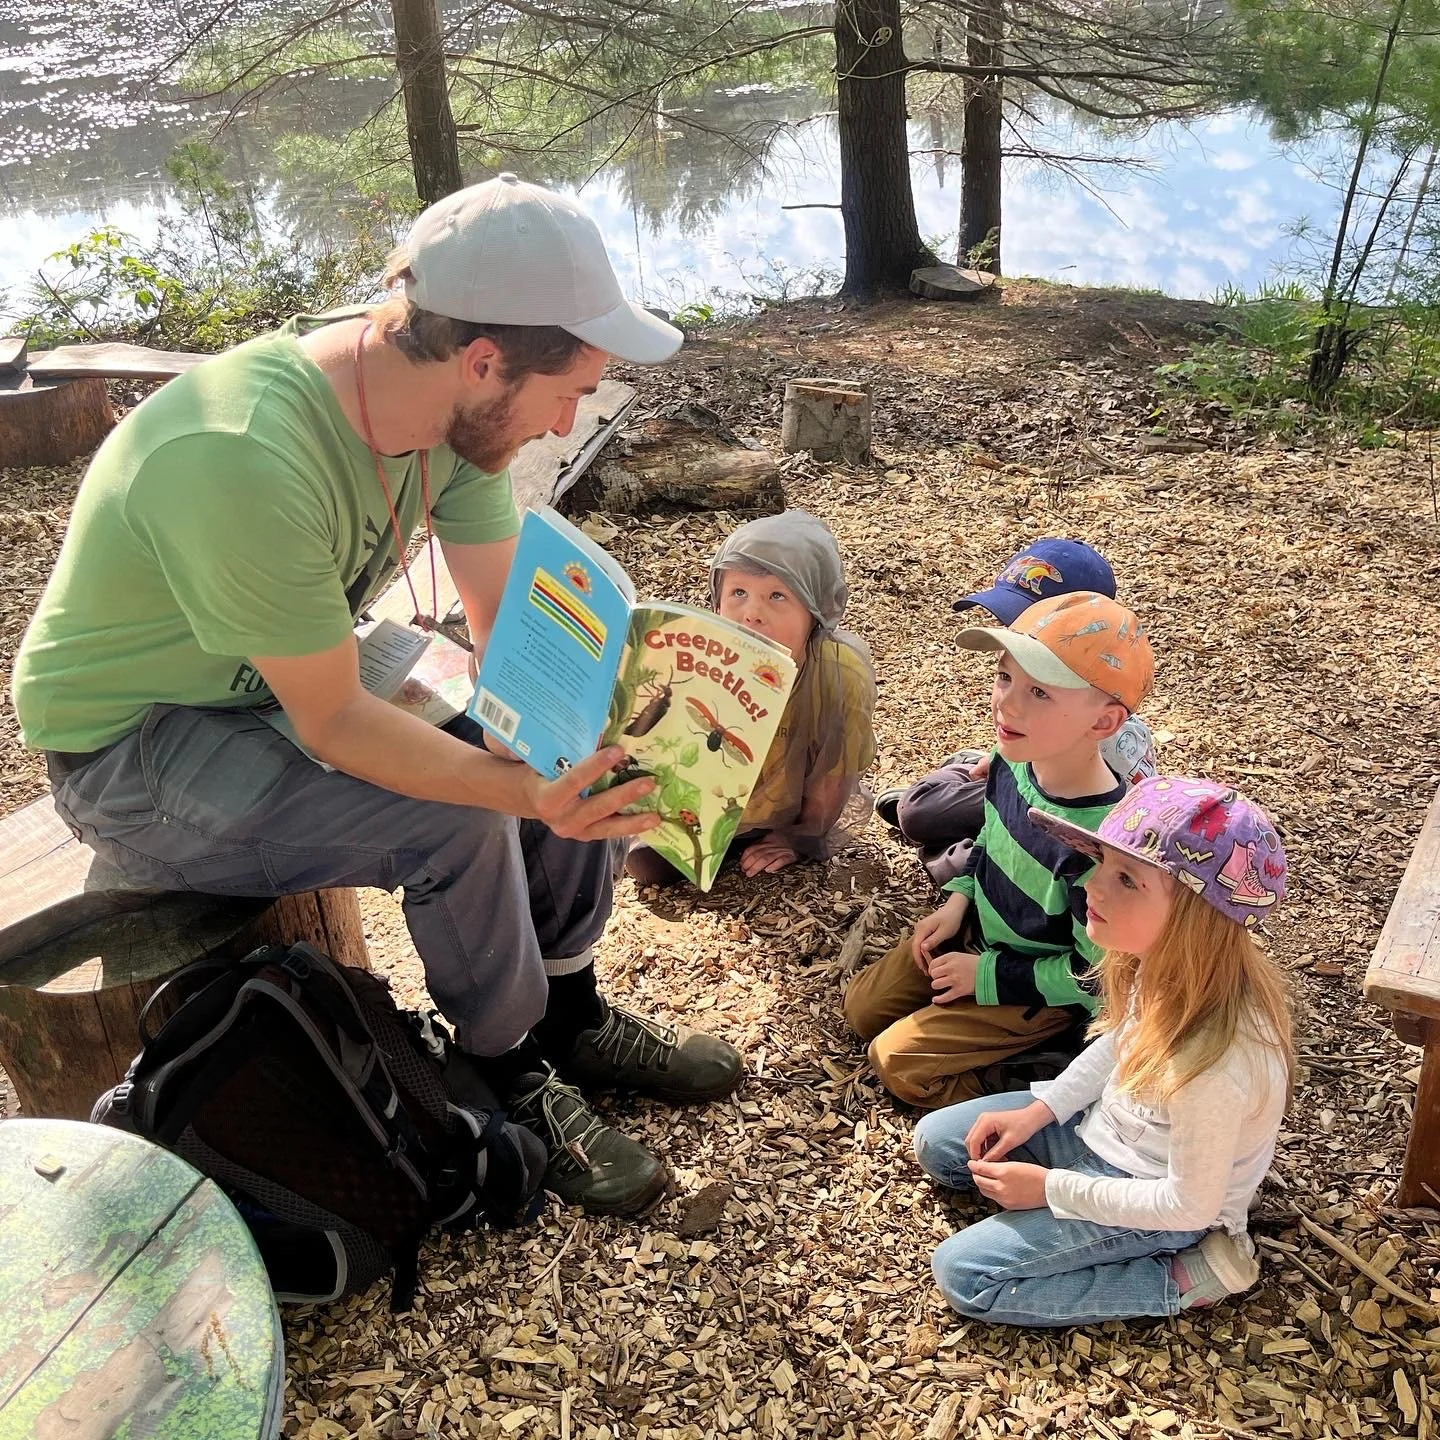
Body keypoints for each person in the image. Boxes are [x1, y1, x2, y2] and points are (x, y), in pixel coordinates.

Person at [12, 173, 743, 1218]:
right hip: (137, 750)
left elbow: (510, 637)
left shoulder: (452, 421)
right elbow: (334, 722)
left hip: (281, 674)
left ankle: (569, 1008)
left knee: (571, 732)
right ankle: (504, 1065)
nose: (570, 419)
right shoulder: (245, 455)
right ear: (485, 359)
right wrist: (514, 791)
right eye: (570, 389)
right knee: (462, 819)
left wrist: (576, 720)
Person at [911, 778, 1293, 1326]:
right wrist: (1038, 1113)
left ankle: (1184, 1279)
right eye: (1100, 863)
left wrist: (1052, 1189)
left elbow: (1189, 1203)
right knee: (939, 1144)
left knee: (964, 1275)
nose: (1091, 885)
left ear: (1194, 916)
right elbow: (1118, 1044)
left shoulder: (1219, 1061)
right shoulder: (1162, 967)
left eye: (1127, 879)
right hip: (1102, 1132)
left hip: (1161, 1202)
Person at [843, 591, 1154, 1107]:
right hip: (982, 932)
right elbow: (991, 835)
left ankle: (1047, 1069)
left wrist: (986, 977)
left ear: (1103, 723)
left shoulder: (1097, 845)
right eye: (1005, 677)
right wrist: (958, 899)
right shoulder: (1013, 759)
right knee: (862, 1008)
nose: (1006, 703)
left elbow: (1094, 977)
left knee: (897, 1065)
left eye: (1040, 693)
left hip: (1038, 982)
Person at [875, 539, 1158, 886]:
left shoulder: (1094, 749)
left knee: (922, 811)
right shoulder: (1063, 722)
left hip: (1053, 806)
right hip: (1029, 774)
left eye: (1026, 617)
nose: (1013, 632)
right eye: (1005, 674)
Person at [625, 509, 876, 885]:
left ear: (817, 610)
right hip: (711, 799)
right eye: (738, 593)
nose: (752, 614)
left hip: (787, 806)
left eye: (777, 595)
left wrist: (802, 835)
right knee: (645, 864)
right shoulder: (699, 656)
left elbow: (834, 770)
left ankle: (767, 833)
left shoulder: (837, 675)